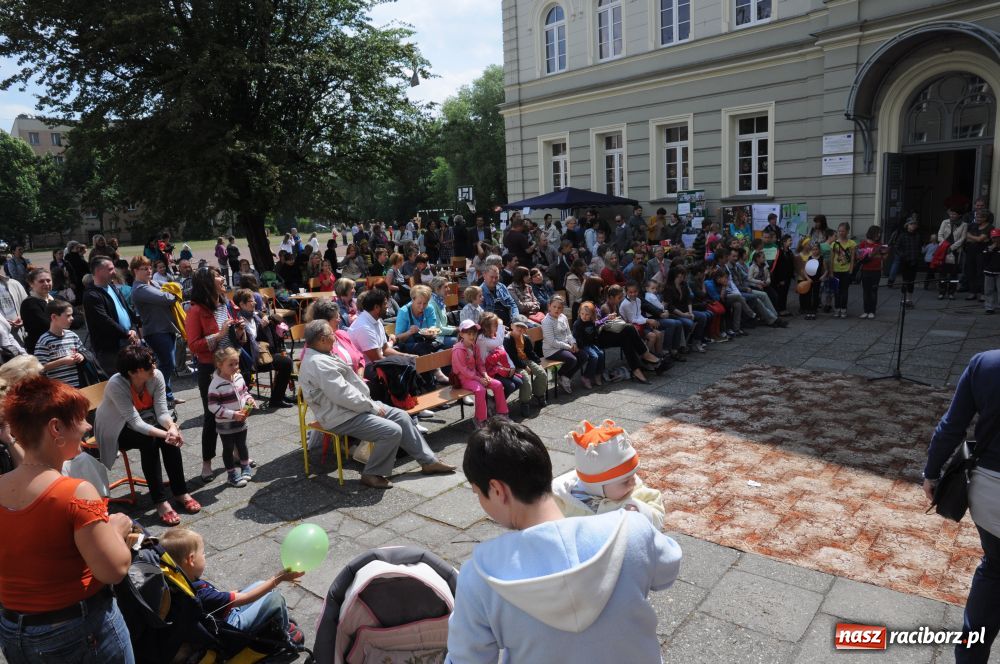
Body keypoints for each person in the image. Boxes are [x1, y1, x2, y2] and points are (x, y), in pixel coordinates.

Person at [446, 419, 682, 664]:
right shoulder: (632, 530)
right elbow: (668, 570)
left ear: (497, 490)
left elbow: (467, 658)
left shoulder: (480, 577)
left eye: (478, 494)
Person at [0, 376, 136, 663]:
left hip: (14, 632)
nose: (88, 426)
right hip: (79, 631)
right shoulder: (74, 491)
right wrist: (116, 527)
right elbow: (114, 570)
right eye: (81, 419)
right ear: (56, 428)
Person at [299, 320, 454, 488]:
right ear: (322, 339)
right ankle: (371, 473)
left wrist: (369, 404)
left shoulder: (322, 354)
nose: (335, 338)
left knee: (401, 416)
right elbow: (343, 395)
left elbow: (347, 392)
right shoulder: (318, 363)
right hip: (340, 416)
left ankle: (428, 461)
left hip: (351, 408)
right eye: (331, 335)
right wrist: (370, 406)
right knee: (391, 431)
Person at [922, 350, 1000, 663]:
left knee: (995, 568)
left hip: (991, 491)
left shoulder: (986, 364)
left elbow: (952, 426)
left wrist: (932, 471)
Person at [159, 527, 305, 644]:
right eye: (203, 554)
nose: (204, 556)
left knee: (261, 585)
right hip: (232, 626)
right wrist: (278, 578)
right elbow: (246, 597)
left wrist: (253, 590)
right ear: (191, 559)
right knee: (275, 599)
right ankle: (284, 635)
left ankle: (273, 618)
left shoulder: (181, 583)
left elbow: (225, 597)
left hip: (221, 615)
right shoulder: (202, 595)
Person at [551, 419, 665, 529]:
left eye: (633, 474)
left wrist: (641, 511)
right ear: (596, 487)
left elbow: (658, 515)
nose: (634, 481)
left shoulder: (637, 492)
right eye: (625, 481)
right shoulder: (564, 499)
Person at [186, 266, 243, 482]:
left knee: (236, 408)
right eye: (216, 276)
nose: (221, 278)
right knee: (212, 416)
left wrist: (237, 331)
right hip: (210, 369)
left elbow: (231, 337)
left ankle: (238, 453)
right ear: (206, 284)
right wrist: (218, 335)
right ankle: (207, 463)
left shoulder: (224, 303)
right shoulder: (196, 311)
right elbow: (193, 345)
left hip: (231, 366)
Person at [130, 255, 183, 403]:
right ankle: (160, 397)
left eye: (149, 267)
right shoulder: (140, 289)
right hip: (156, 331)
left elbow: (175, 286)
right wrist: (173, 292)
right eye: (144, 268)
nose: (148, 271)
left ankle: (167, 396)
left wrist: (173, 290)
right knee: (167, 364)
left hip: (167, 328)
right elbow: (167, 298)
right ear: (135, 271)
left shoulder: (152, 282)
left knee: (166, 364)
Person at [208, 347, 257, 488]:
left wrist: (249, 399)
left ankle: (245, 466)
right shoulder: (215, 384)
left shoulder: (239, 377)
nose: (235, 367)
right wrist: (232, 414)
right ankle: (231, 474)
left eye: (237, 363)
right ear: (219, 364)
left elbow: (244, 392)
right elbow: (212, 406)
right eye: (231, 364)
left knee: (242, 444)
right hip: (226, 423)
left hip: (241, 419)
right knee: (228, 448)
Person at [84, 256, 140, 377]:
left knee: (135, 378)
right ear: (98, 271)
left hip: (127, 341)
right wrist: (127, 333)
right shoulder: (92, 295)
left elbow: (127, 311)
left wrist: (133, 329)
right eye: (110, 269)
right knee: (120, 382)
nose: (114, 272)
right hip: (111, 350)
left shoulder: (113, 287)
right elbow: (104, 321)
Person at [452, 320, 509, 429]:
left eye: (474, 333)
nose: (472, 336)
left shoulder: (475, 347)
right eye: (469, 334)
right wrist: (479, 379)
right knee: (480, 390)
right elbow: (463, 371)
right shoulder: (458, 350)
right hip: (464, 379)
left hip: (476, 376)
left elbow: (480, 364)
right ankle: (480, 419)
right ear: (461, 334)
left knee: (497, 384)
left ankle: (502, 413)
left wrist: (485, 375)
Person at [33, 300, 86, 387]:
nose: (72, 318)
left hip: (79, 385)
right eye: (68, 315)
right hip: (59, 390)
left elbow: (84, 352)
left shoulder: (72, 335)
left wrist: (81, 356)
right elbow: (39, 368)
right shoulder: (44, 340)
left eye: (72, 315)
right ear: (54, 317)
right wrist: (63, 361)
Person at [503, 319, 548, 414]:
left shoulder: (525, 338)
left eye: (523, 327)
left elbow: (530, 352)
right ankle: (525, 402)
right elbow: (512, 357)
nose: (520, 328)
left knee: (542, 373)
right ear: (512, 326)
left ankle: (538, 394)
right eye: (518, 326)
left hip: (526, 360)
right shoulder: (507, 339)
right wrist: (524, 367)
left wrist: (538, 362)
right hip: (514, 364)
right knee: (525, 379)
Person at [540, 296, 579, 394]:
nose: (557, 309)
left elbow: (569, 333)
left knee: (583, 355)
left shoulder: (563, 317)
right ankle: (559, 375)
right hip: (551, 350)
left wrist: (573, 343)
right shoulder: (546, 321)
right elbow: (552, 341)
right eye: (554, 307)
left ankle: (565, 377)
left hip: (564, 347)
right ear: (549, 306)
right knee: (572, 359)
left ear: (562, 308)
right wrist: (568, 347)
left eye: (559, 307)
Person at [19, 268, 56, 354]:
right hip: (41, 350)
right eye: (41, 281)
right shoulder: (29, 304)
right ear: (31, 284)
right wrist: (65, 320)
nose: (46, 283)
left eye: (48, 280)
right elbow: (46, 325)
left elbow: (78, 319)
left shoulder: (57, 299)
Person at [571, 302, 606, 388]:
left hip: (590, 344)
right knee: (594, 356)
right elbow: (575, 337)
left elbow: (595, 331)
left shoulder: (591, 322)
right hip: (582, 345)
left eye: (587, 314)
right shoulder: (577, 324)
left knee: (601, 354)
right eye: (582, 314)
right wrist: (581, 346)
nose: (584, 316)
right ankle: (586, 377)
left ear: (591, 315)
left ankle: (597, 374)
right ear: (579, 313)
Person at [857, 226, 887, 319]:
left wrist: (881, 254)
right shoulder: (863, 243)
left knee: (873, 291)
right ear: (872, 233)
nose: (878, 235)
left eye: (879, 233)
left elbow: (885, 257)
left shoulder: (881, 245)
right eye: (877, 233)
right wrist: (868, 254)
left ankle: (872, 311)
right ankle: (866, 311)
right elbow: (859, 256)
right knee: (866, 291)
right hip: (865, 270)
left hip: (876, 270)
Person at [938, 207, 968, 299]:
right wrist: (945, 246)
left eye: (954, 214)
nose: (952, 215)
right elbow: (940, 235)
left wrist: (951, 247)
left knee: (953, 273)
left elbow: (962, 239)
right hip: (944, 249)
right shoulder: (945, 222)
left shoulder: (964, 225)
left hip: (955, 251)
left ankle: (951, 292)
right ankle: (941, 292)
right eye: (951, 214)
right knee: (942, 272)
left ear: (959, 215)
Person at [965, 209, 994, 301]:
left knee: (981, 272)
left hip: (982, 253)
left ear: (985, 218)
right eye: (976, 216)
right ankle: (972, 292)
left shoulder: (989, 227)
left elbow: (980, 239)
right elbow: (966, 237)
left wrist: (972, 237)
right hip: (970, 252)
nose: (977, 218)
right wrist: (976, 239)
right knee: (970, 271)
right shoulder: (972, 226)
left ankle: (982, 293)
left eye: (979, 217)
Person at [829, 223, 857, 318]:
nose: (841, 233)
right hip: (836, 270)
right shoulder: (834, 244)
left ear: (847, 231)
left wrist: (851, 270)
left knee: (845, 291)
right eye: (839, 231)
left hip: (846, 270)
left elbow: (853, 258)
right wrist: (831, 272)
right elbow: (831, 258)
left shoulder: (851, 243)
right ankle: (837, 308)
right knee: (836, 290)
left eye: (843, 231)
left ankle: (844, 309)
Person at [985, 229, 1000, 314]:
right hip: (989, 271)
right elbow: (984, 259)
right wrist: (989, 250)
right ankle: (989, 307)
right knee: (988, 290)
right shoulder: (988, 246)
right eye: (994, 238)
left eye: (997, 237)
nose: (995, 240)